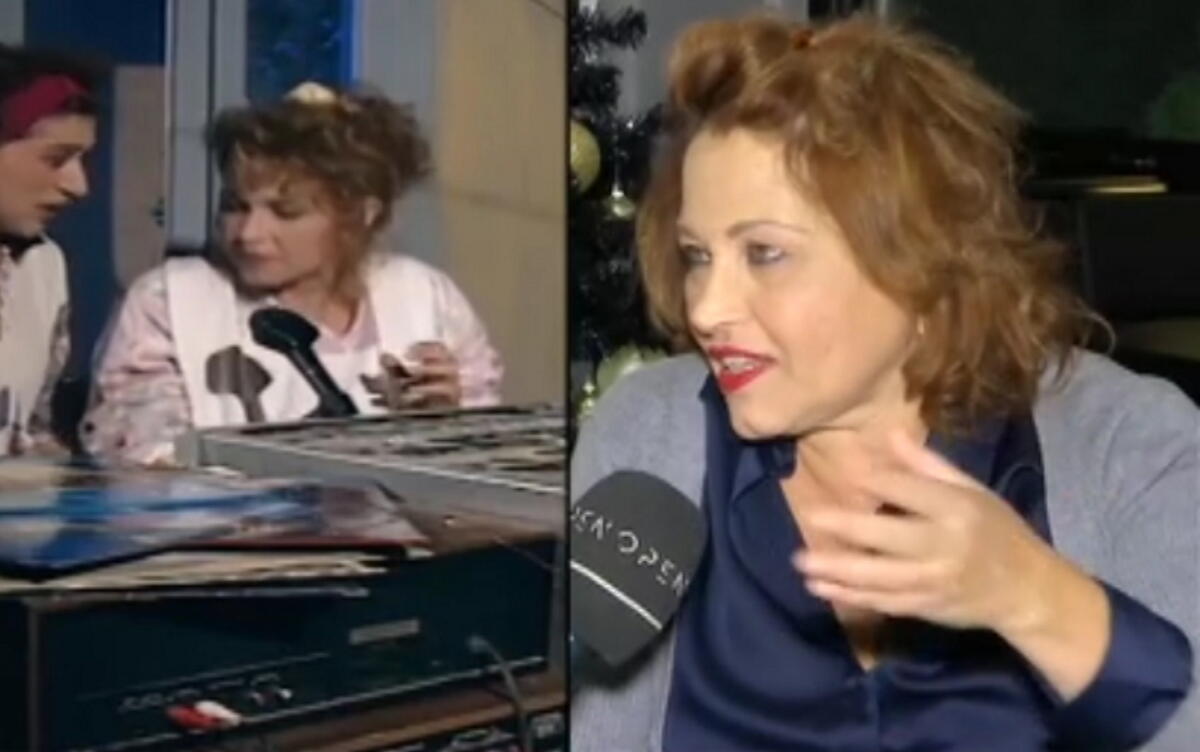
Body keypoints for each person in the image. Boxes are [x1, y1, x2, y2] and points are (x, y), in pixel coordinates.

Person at [571, 14, 1197, 751]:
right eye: (697, 256)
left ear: (921, 259)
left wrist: (1038, 598)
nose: (707, 308)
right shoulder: (648, 436)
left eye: (765, 253)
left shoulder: (1128, 447)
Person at [83, 82, 502, 466]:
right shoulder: (169, 301)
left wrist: (446, 429)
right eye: (235, 206)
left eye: (286, 212)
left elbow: (487, 462)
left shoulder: (429, 300)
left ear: (361, 214)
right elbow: (141, 458)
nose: (248, 234)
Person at [0, 44, 100, 457]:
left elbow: (30, 433)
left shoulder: (43, 266)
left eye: (81, 160)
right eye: (55, 159)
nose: (79, 186)